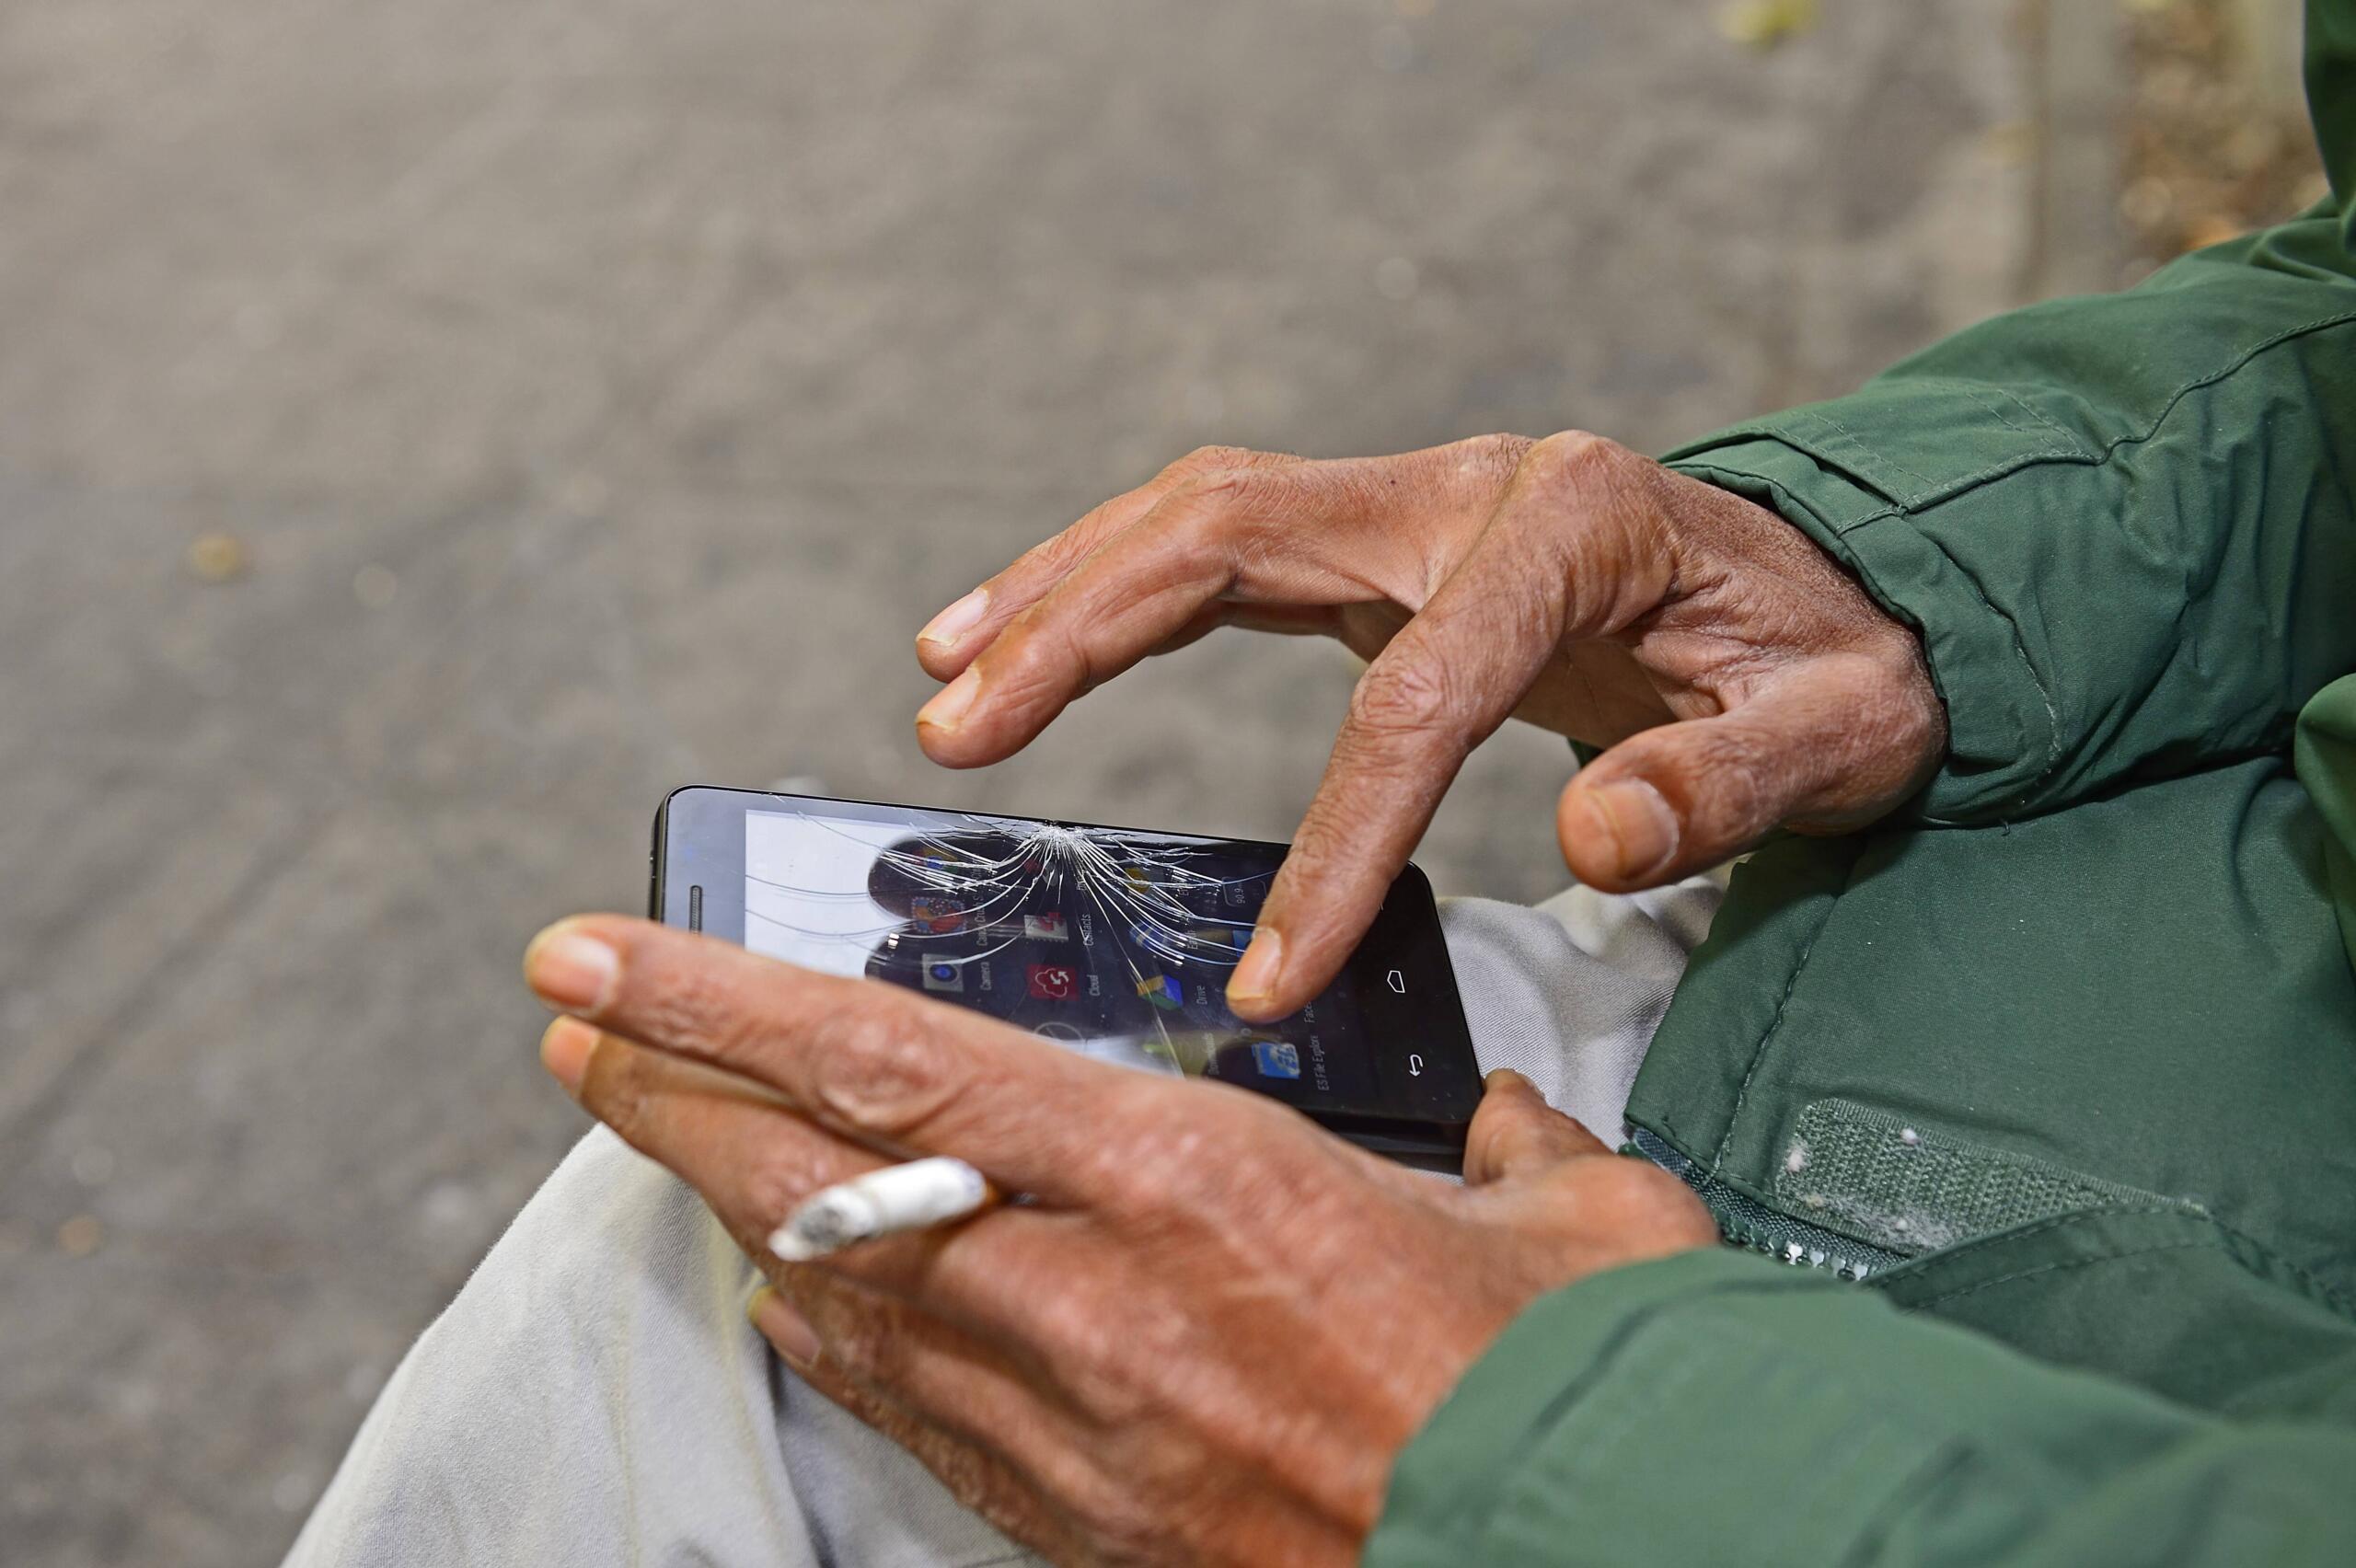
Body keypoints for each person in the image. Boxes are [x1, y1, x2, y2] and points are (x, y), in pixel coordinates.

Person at [290, 4, 2356, 1562]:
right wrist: (1916, 588)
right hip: (2112, 936)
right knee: (742, 1221)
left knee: (769, 1306)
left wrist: (1572, 1466)